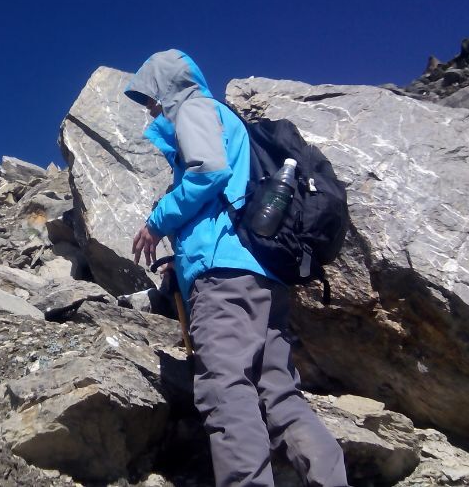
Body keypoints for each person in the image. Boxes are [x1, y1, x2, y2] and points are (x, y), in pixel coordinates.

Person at [126, 50, 349, 487]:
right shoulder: (227, 120)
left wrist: (156, 222)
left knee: (224, 387)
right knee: (281, 396)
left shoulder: (191, 107)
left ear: (164, 85)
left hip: (225, 280)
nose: (150, 108)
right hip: (263, 278)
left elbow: (207, 173)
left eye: (149, 96)